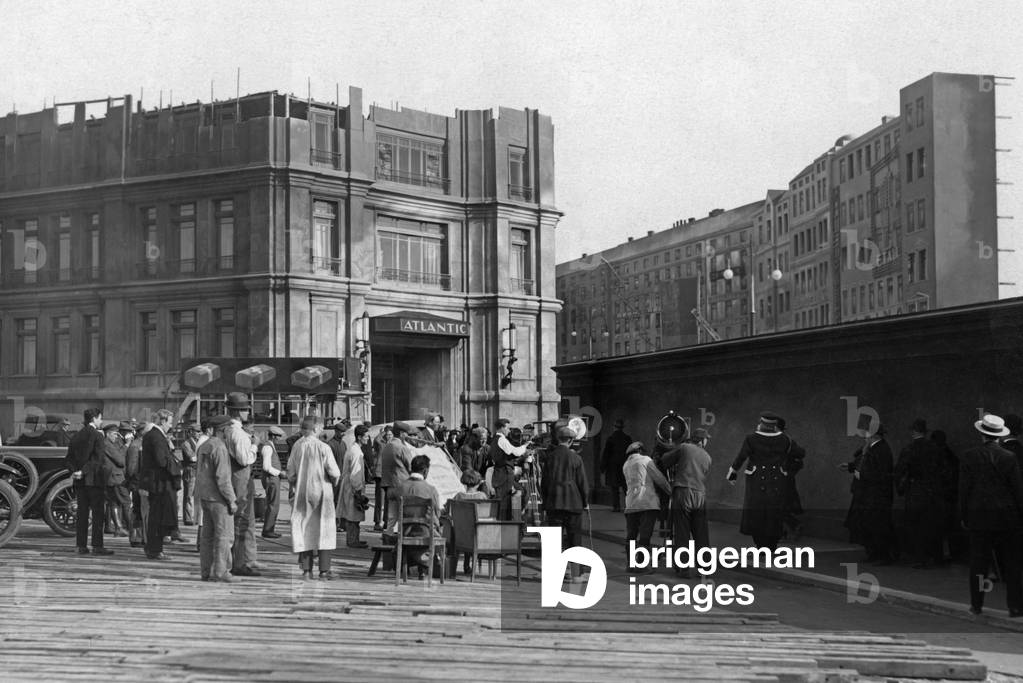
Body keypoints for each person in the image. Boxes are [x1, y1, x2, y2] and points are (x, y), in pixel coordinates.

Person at [959, 414, 1023, 617]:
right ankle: (1015, 606)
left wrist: (964, 515)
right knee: (1012, 564)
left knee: (979, 563)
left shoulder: (969, 456)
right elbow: (1017, 490)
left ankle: (976, 604)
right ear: (999, 436)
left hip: (979, 517)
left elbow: (964, 489)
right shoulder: (1009, 457)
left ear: (981, 434)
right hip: (1007, 518)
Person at [728, 412, 806, 551]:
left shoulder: (751, 439)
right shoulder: (785, 440)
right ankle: (772, 545)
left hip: (756, 482)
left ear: (762, 425)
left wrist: (732, 473)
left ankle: (760, 545)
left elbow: (741, 457)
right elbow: (800, 453)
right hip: (777, 482)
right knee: (774, 514)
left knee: (756, 513)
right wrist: (786, 468)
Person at [287, 415, 341, 580]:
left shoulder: (297, 446)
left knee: (304, 529)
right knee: (324, 530)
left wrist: (296, 482)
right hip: (322, 492)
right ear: (316, 428)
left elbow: (290, 472)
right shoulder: (323, 447)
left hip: (302, 493)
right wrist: (333, 482)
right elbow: (334, 472)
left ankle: (306, 570)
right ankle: (324, 571)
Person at [894, 419, 947, 568]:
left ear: (913, 431)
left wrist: (901, 487)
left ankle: (920, 558)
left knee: (916, 526)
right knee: (933, 525)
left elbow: (900, 470)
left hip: (916, 490)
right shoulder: (935, 448)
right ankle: (937, 557)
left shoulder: (909, 449)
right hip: (934, 491)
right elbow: (943, 470)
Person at [841, 423, 896, 564]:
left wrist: (860, 474)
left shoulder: (881, 449)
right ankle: (873, 553)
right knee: (868, 525)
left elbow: (878, 472)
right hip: (867, 494)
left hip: (875, 495)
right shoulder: (872, 448)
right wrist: (851, 466)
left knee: (877, 525)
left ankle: (881, 555)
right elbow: (863, 462)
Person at [541, 426, 590, 581]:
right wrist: (585, 501)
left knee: (554, 541)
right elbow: (582, 482)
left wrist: (546, 501)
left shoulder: (550, 457)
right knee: (575, 539)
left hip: (554, 503)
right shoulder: (576, 458)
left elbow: (544, 483)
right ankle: (576, 575)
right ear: (570, 440)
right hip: (573, 503)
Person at [662, 428, 712, 573]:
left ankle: (683, 567)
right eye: (706, 439)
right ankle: (705, 566)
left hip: (683, 492)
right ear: (702, 441)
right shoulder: (708, 457)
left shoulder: (684, 448)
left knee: (682, 531)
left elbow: (665, 460)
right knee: (701, 532)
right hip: (700, 495)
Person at [195, 415, 238, 583]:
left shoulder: (205, 445)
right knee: (224, 536)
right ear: (224, 429)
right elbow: (222, 478)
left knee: (207, 537)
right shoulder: (220, 447)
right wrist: (231, 500)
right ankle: (221, 572)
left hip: (205, 496)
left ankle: (206, 571)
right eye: (229, 429)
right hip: (218, 498)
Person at [65, 408, 111, 555]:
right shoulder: (98, 436)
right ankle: (97, 546)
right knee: (98, 515)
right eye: (100, 418)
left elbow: (68, 459)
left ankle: (80, 546)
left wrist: (75, 472)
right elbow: (97, 459)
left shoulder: (76, 436)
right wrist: (83, 471)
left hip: (80, 482)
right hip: (94, 480)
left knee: (82, 514)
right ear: (95, 418)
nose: (101, 421)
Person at [223, 392, 259, 577]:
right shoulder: (239, 433)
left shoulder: (227, 430)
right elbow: (245, 459)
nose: (247, 413)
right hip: (241, 480)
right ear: (238, 412)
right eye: (245, 410)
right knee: (243, 521)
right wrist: (255, 446)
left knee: (238, 521)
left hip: (233, 479)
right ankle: (241, 563)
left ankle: (242, 559)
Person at [622, 441, 671, 572]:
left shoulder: (626, 464)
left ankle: (630, 564)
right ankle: (641, 565)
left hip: (631, 503)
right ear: (641, 451)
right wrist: (670, 492)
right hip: (647, 502)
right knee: (645, 535)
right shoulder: (645, 460)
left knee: (631, 534)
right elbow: (659, 479)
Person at [396, 454, 443, 578]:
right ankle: (425, 567)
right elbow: (437, 513)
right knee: (437, 530)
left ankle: (412, 565)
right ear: (425, 470)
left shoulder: (401, 487)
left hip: (405, 532)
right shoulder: (430, 489)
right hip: (425, 533)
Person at [140, 409, 178, 560]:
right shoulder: (156, 437)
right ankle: (155, 549)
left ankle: (153, 547)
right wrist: (175, 465)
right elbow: (161, 460)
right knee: (157, 516)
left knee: (155, 516)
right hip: (158, 483)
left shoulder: (153, 435)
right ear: (162, 421)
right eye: (169, 422)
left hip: (154, 482)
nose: (170, 425)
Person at [339, 424, 371, 548]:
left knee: (354, 514)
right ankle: (352, 541)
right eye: (366, 436)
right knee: (353, 514)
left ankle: (354, 538)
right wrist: (358, 490)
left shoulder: (354, 448)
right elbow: (355, 474)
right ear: (359, 437)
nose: (368, 439)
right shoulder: (356, 451)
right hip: (353, 487)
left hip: (350, 485)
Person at [491, 418, 528, 520]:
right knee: (505, 501)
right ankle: (506, 524)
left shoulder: (494, 439)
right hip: (504, 473)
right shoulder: (501, 440)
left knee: (503, 499)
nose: (508, 431)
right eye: (507, 428)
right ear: (502, 428)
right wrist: (525, 447)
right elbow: (515, 452)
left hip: (500, 472)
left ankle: (505, 523)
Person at [381, 421, 414, 529]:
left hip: (389, 486)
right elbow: (411, 467)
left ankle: (388, 536)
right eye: (405, 433)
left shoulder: (386, 447)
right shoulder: (402, 448)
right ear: (401, 434)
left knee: (391, 516)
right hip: (402, 486)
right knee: (403, 516)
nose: (407, 436)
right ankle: (401, 540)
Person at [102, 422, 131, 538]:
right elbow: (120, 460)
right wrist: (127, 445)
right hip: (116, 478)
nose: (116, 436)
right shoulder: (107, 444)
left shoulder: (108, 443)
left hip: (111, 478)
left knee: (114, 503)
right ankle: (130, 528)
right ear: (108, 434)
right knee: (126, 502)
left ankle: (118, 527)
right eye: (114, 434)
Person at [126, 422, 152, 549]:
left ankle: (140, 536)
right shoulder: (135, 446)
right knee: (136, 510)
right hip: (137, 482)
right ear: (141, 432)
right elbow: (131, 468)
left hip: (140, 481)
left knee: (140, 511)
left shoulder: (140, 444)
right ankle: (135, 537)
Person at [601, 419, 633, 513]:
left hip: (613, 466)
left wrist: (603, 467)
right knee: (626, 487)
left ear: (614, 427)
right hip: (625, 465)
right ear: (622, 428)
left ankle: (616, 507)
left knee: (614, 488)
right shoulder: (627, 438)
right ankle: (629, 506)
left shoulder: (611, 438)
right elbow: (631, 452)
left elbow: (606, 453)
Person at [260, 426, 286, 539]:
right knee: (273, 505)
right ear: (274, 436)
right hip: (271, 478)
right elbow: (266, 467)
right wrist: (279, 473)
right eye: (278, 437)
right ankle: (268, 530)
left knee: (273, 504)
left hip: (272, 478)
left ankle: (270, 529)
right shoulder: (268, 447)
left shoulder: (270, 446)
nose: (279, 439)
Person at [370, 425, 391, 530]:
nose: (389, 436)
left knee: (388, 500)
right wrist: (382, 432)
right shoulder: (380, 443)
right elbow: (376, 440)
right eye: (387, 434)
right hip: (380, 474)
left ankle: (386, 521)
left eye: (391, 434)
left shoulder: (393, 444)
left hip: (389, 475)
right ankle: (377, 522)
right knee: (379, 500)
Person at [180, 422, 201, 526]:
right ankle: (188, 518)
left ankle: (196, 517)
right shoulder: (186, 444)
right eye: (197, 431)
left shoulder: (198, 442)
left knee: (197, 495)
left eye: (199, 431)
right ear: (191, 432)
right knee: (188, 496)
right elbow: (192, 457)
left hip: (197, 470)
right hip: (190, 471)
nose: (199, 433)